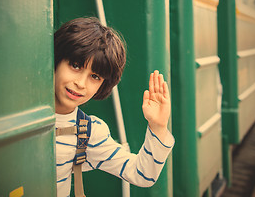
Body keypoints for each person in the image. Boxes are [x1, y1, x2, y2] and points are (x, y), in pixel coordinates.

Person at [54, 17, 174, 196]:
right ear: (56, 60)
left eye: (95, 76)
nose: (80, 83)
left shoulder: (87, 131)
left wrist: (158, 126)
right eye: (75, 65)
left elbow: (142, 174)